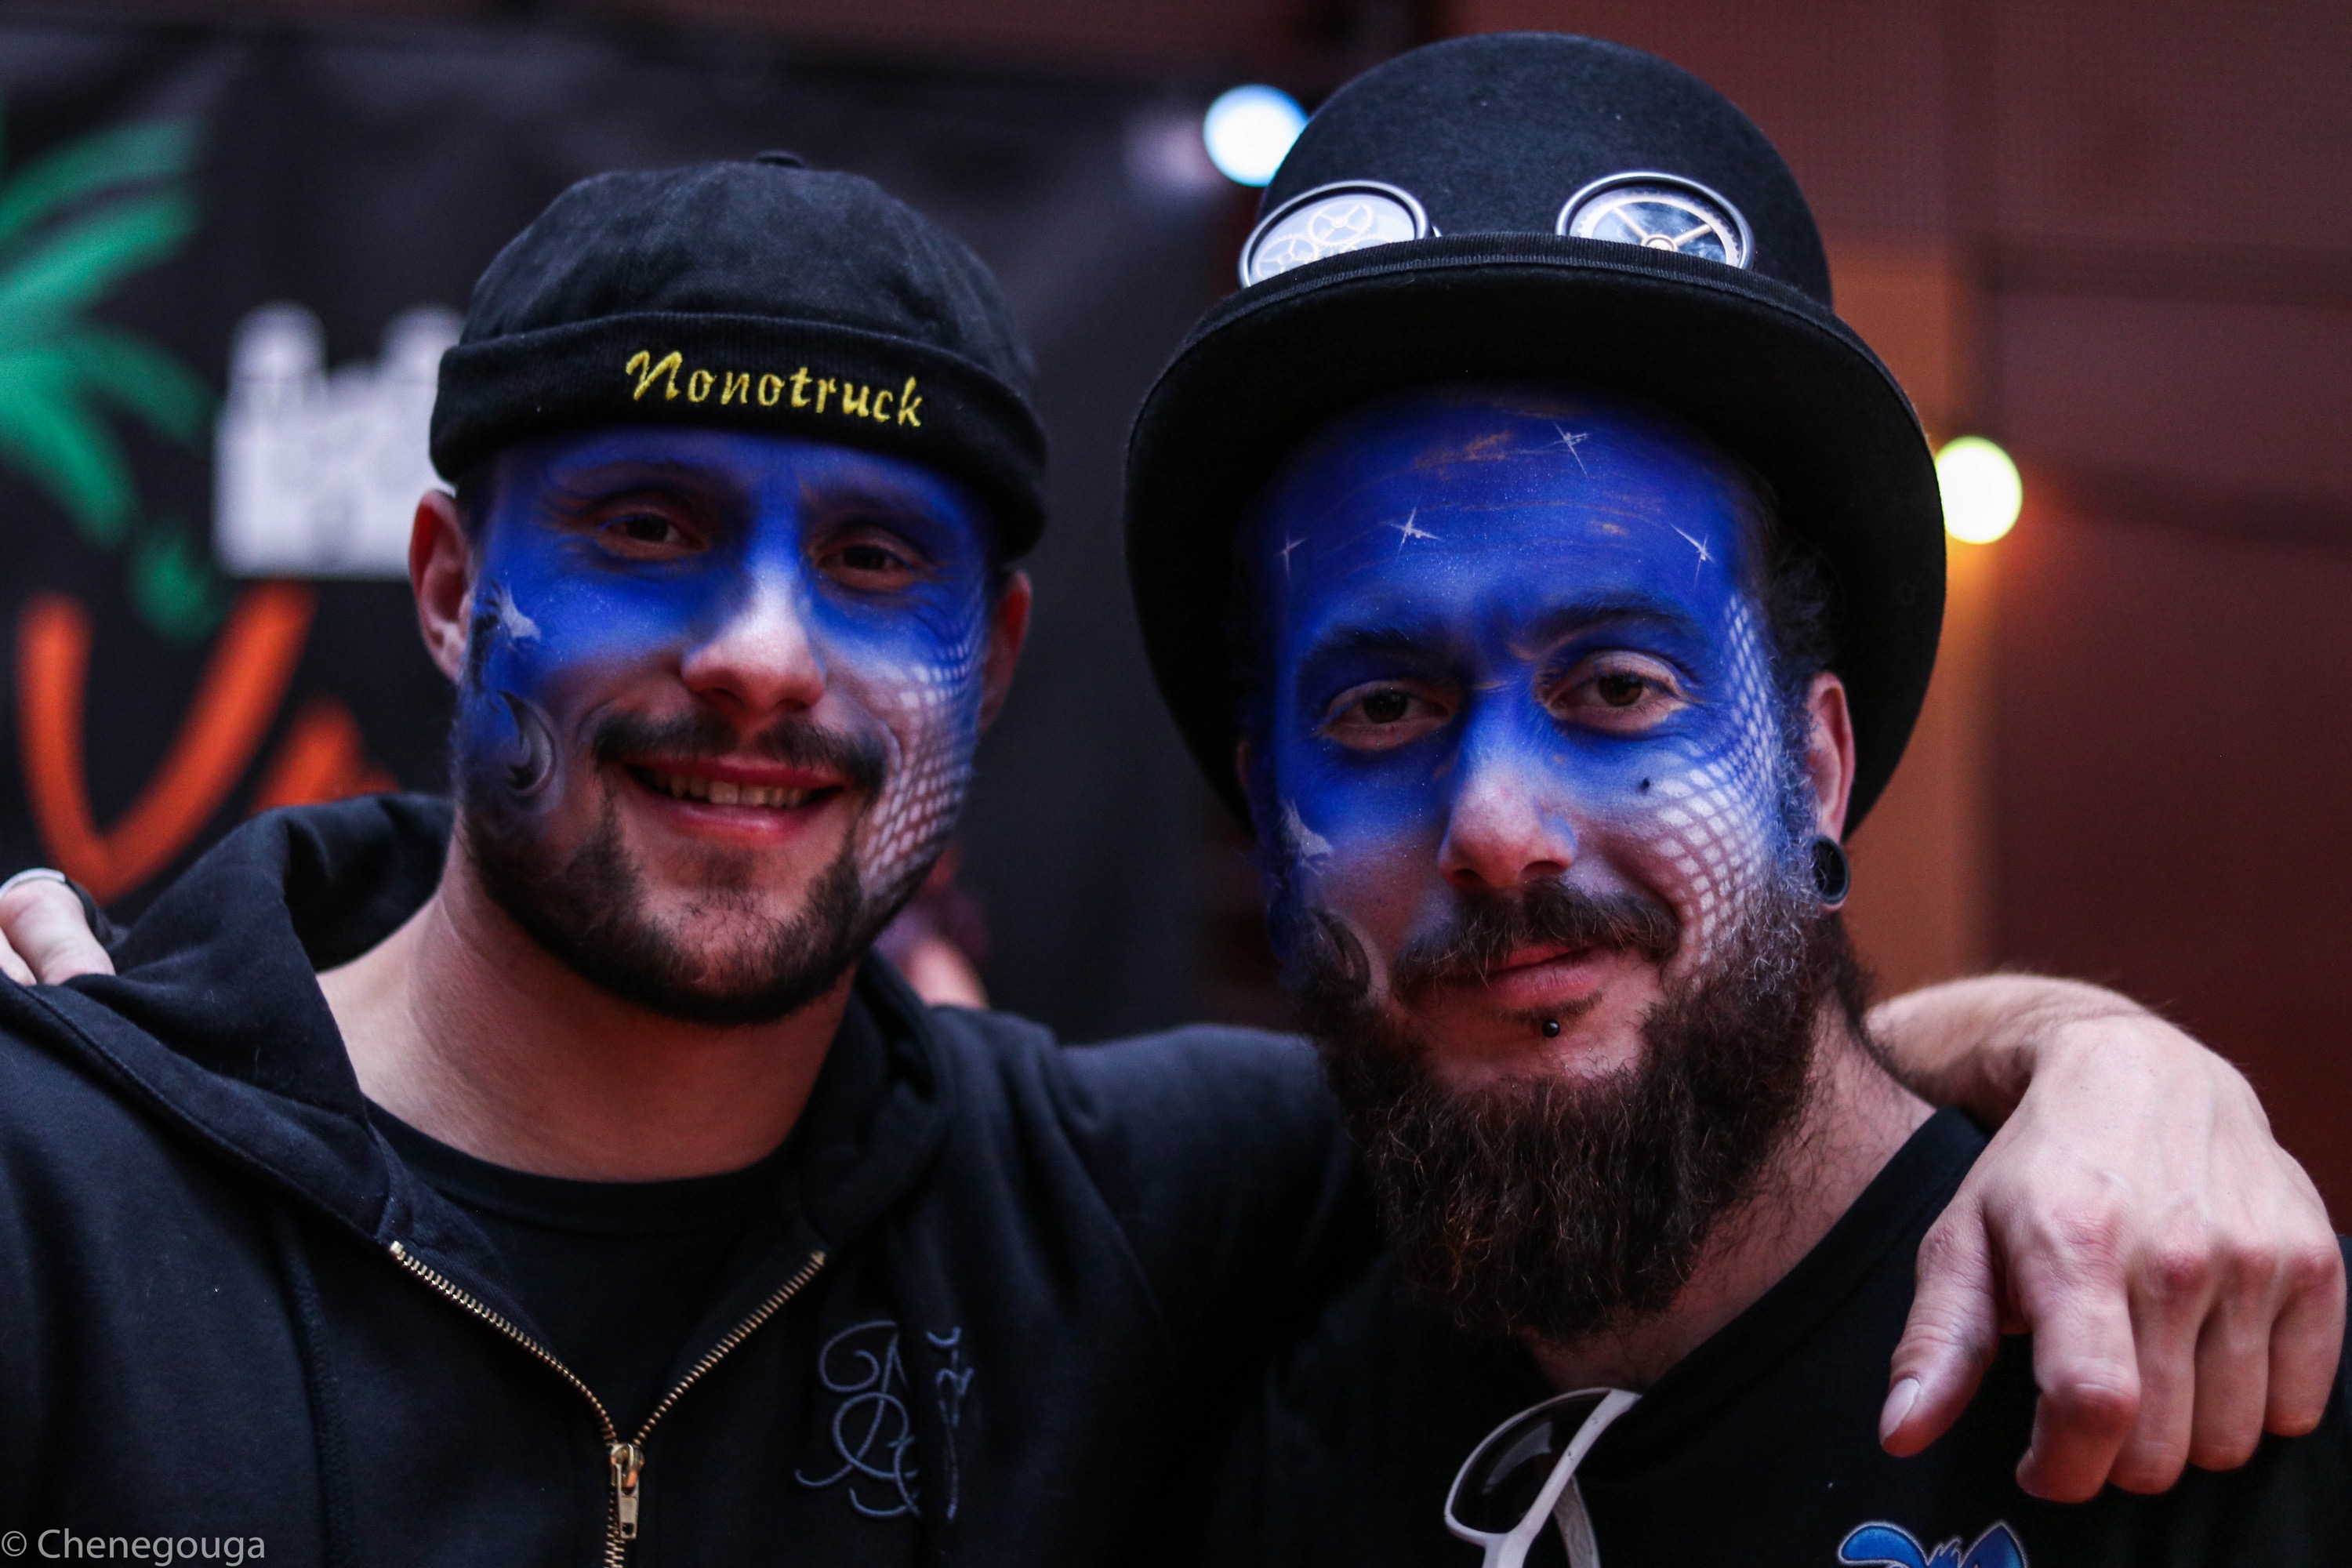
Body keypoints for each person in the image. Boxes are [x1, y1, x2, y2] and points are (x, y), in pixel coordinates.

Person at [0, 147, 2333, 1564]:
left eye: (877, 567)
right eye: (647, 528)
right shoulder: (61, 1196)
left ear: (997, 652)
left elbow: (1655, 1057)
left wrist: (2104, 1064)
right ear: (445, 585)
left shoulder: (1121, 1210)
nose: (760, 654)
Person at [1116, 34, 2348, 1566]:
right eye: (1382, 708)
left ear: (1814, 768)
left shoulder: (2211, 1399)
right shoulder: (1212, 1405)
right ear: (1264, 820)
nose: (1497, 828)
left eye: (1618, 686)